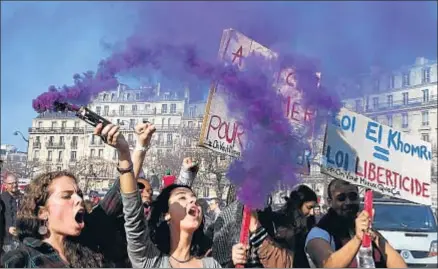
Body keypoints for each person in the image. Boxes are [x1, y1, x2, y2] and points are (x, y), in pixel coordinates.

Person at [0, 123, 133, 268]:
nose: (79, 199)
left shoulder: (87, 247)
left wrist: (124, 152)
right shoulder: (20, 261)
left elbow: (120, 191)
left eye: (78, 194)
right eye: (66, 196)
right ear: (43, 212)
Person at [305, 179, 407, 268]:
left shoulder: (366, 229)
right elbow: (327, 265)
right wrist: (358, 238)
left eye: (352, 196)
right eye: (341, 198)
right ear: (330, 202)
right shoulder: (319, 232)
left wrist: (376, 238)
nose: (348, 202)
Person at [272, 184, 318, 268]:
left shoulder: (309, 220)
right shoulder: (278, 220)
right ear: (298, 204)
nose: (312, 213)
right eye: (309, 207)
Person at [0, 173, 20, 253]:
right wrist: (8, 228)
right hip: (6, 240)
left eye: (15, 182)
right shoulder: (1, 199)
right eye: (11, 183)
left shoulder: (22, 197)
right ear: (5, 185)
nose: (14, 185)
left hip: (21, 238)